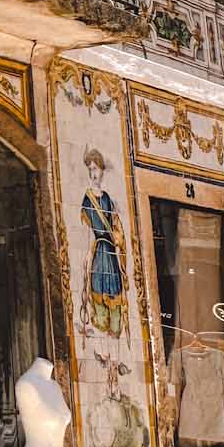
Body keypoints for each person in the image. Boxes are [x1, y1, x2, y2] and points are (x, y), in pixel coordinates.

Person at [79, 145, 127, 339]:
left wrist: (118, 240)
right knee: (98, 293)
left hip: (110, 252)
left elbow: (116, 225)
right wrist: (87, 256)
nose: (93, 173)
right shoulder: (87, 200)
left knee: (115, 293)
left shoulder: (107, 198)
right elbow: (88, 231)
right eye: (90, 169)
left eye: (96, 169)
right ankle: (103, 343)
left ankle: (115, 337)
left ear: (102, 170)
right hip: (99, 251)